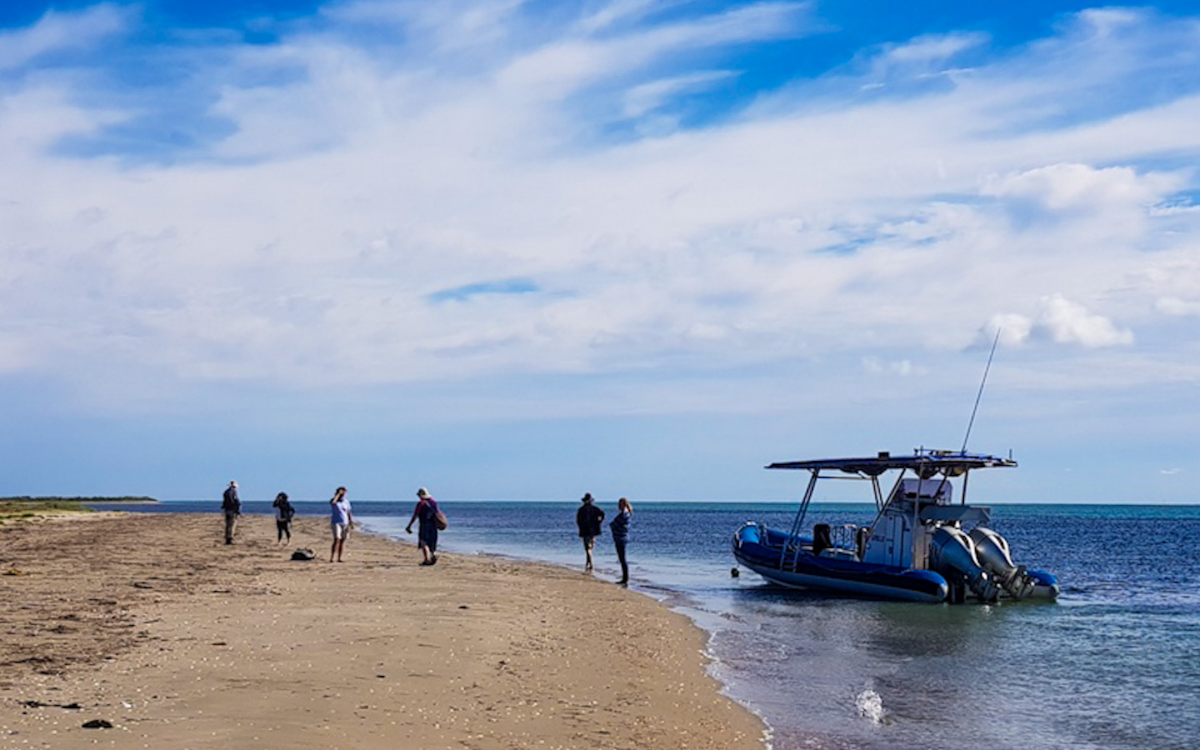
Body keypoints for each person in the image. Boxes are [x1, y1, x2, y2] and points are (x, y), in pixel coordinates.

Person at [405, 487, 441, 565]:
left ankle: (427, 559)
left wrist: (409, 525)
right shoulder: (434, 502)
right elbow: (438, 513)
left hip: (424, 525)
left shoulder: (421, 504)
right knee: (432, 541)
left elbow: (415, 515)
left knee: (423, 542)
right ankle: (433, 555)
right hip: (433, 525)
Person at [575, 493, 604, 572]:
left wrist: (580, 527)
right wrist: (599, 522)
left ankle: (589, 563)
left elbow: (578, 521)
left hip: (586, 531)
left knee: (588, 548)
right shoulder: (595, 509)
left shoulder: (581, 510)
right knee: (590, 547)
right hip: (593, 531)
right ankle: (589, 563)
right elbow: (602, 515)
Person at [610, 497, 633, 585]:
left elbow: (619, 524)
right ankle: (624, 577)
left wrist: (613, 525)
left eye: (620, 504)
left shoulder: (625, 514)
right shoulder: (624, 514)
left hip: (621, 537)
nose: (618, 506)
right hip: (619, 536)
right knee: (621, 558)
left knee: (622, 558)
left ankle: (625, 578)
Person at [329, 486, 353, 562]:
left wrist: (351, 521)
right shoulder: (334, 500)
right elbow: (333, 503)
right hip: (336, 522)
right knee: (337, 539)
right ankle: (332, 557)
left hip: (345, 522)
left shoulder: (346, 502)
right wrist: (338, 495)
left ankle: (339, 557)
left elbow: (348, 512)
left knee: (342, 540)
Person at [221, 480, 240, 544]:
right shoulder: (234, 492)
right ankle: (230, 538)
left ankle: (227, 537)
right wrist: (238, 510)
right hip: (233, 510)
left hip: (227, 510)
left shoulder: (226, 492)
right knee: (232, 524)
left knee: (227, 524)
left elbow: (224, 502)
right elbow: (236, 501)